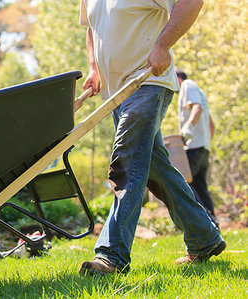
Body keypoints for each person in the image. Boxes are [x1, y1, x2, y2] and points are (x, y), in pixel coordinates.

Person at [77, 0, 225, 275]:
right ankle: (204, 238)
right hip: (117, 95)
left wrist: (162, 46)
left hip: (147, 84)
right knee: (158, 172)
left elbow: (191, 2)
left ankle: (112, 255)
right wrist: (94, 67)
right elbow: (92, 29)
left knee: (126, 165)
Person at [176, 70, 218, 227]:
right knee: (201, 188)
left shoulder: (187, 85)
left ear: (178, 78)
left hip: (193, 146)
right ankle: (214, 227)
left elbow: (197, 108)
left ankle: (203, 227)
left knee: (186, 186)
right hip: (204, 147)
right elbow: (211, 124)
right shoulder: (199, 91)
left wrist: (188, 127)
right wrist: (207, 143)